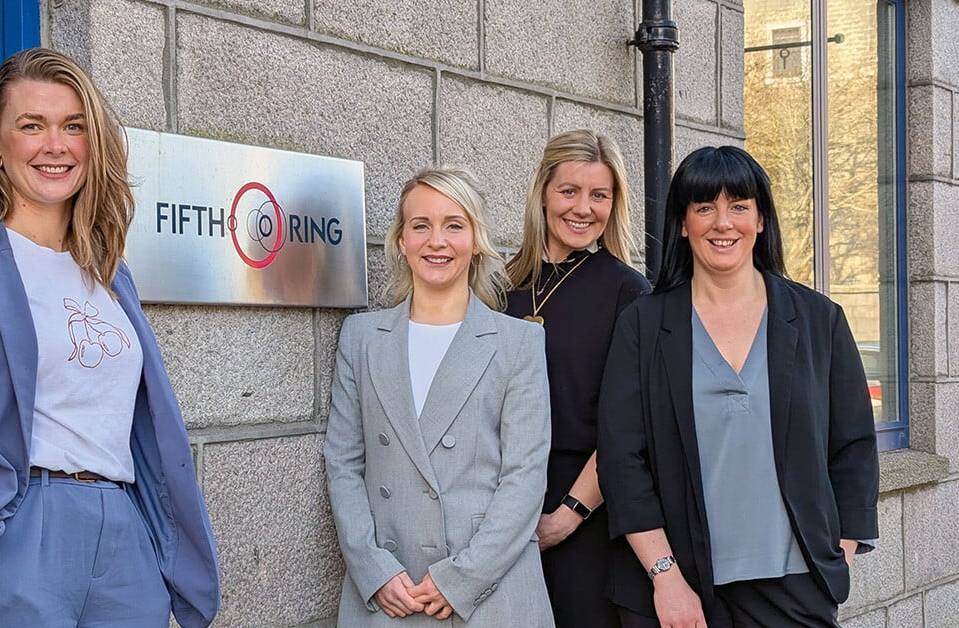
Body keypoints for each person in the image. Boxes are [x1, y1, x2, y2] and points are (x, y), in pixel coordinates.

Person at [0, 47, 219, 627]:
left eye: (73, 126)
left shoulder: (109, 272)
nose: (55, 144)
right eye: (31, 125)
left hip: (122, 538)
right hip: (8, 534)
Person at [597, 146, 879, 627]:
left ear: (761, 220)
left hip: (795, 583)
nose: (722, 223)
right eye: (704, 207)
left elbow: (853, 446)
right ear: (683, 224)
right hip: (677, 587)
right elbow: (622, 459)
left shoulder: (817, 321)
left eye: (739, 207)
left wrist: (840, 554)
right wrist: (666, 578)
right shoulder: (643, 325)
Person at [324, 166, 554, 626]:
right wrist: (372, 569)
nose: (437, 241)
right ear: (401, 240)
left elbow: (524, 478)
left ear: (475, 240)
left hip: (490, 590)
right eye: (421, 225)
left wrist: (463, 578)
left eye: (454, 225)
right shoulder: (362, 336)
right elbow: (344, 462)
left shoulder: (517, 343)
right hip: (392, 591)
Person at [504, 129, 651, 627]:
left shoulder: (629, 293)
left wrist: (566, 515)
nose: (583, 208)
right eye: (569, 191)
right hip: (506, 504)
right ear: (543, 191)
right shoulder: (501, 285)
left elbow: (628, 426)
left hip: (586, 509)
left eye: (599, 195)